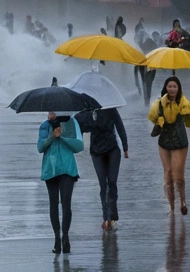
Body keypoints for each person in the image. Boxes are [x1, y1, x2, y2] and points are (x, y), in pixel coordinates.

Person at [148, 76, 190, 215]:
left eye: (175, 86)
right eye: (170, 86)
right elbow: (152, 117)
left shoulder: (183, 102)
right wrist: (160, 120)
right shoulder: (159, 103)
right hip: (164, 142)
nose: (172, 89)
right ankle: (171, 206)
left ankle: (183, 200)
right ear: (166, 88)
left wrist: (185, 112)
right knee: (168, 174)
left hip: (180, 142)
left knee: (178, 174)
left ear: (178, 88)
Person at [74, 106, 129, 230]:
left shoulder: (110, 108)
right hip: (96, 151)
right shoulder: (86, 111)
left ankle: (112, 217)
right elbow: (79, 128)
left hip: (112, 149)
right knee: (103, 185)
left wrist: (125, 147)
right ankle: (106, 217)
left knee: (112, 182)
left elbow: (120, 126)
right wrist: (77, 144)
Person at [39, 111, 83, 254]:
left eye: (53, 111)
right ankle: (57, 238)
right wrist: (53, 135)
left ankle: (66, 236)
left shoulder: (72, 123)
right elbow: (40, 147)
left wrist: (62, 136)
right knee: (53, 203)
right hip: (50, 169)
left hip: (67, 169)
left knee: (66, 203)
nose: (50, 113)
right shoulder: (44, 126)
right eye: (49, 111)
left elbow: (79, 146)